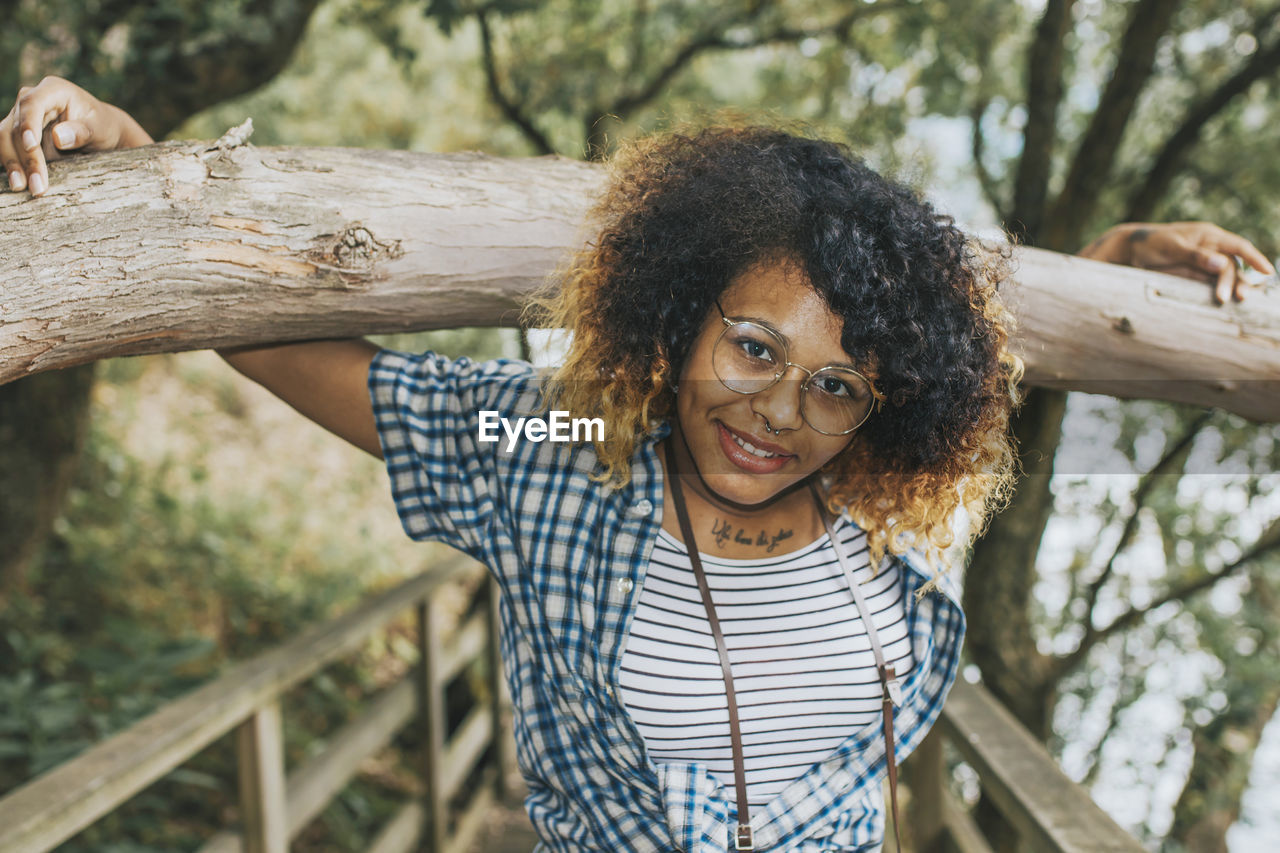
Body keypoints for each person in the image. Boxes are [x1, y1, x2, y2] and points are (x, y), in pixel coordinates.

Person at [3, 78, 1274, 853]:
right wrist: (143, 166)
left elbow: (1010, 364)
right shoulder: (565, 452)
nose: (778, 412)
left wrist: (1125, 256)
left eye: (835, 384)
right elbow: (305, 357)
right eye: (752, 347)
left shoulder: (886, 506)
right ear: (679, 323)